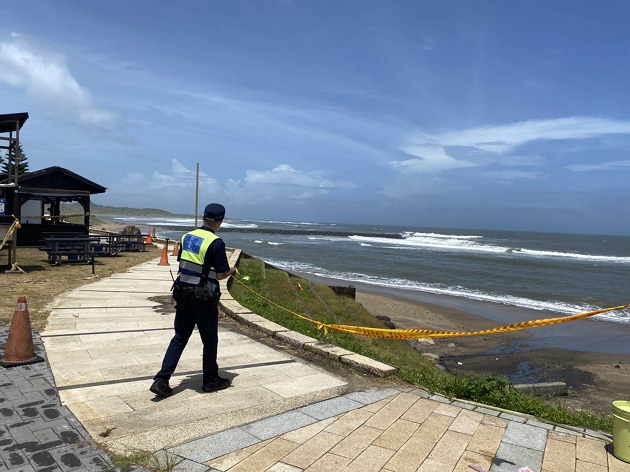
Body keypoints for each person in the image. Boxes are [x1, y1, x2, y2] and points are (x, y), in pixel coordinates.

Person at [150, 203, 236, 397]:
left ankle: (162, 379)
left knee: (180, 337)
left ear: (202, 217)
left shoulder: (186, 237)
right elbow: (221, 275)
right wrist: (231, 271)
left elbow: (186, 263)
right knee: (209, 340)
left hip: (183, 292)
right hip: (203, 297)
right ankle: (211, 380)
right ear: (221, 221)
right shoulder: (216, 243)